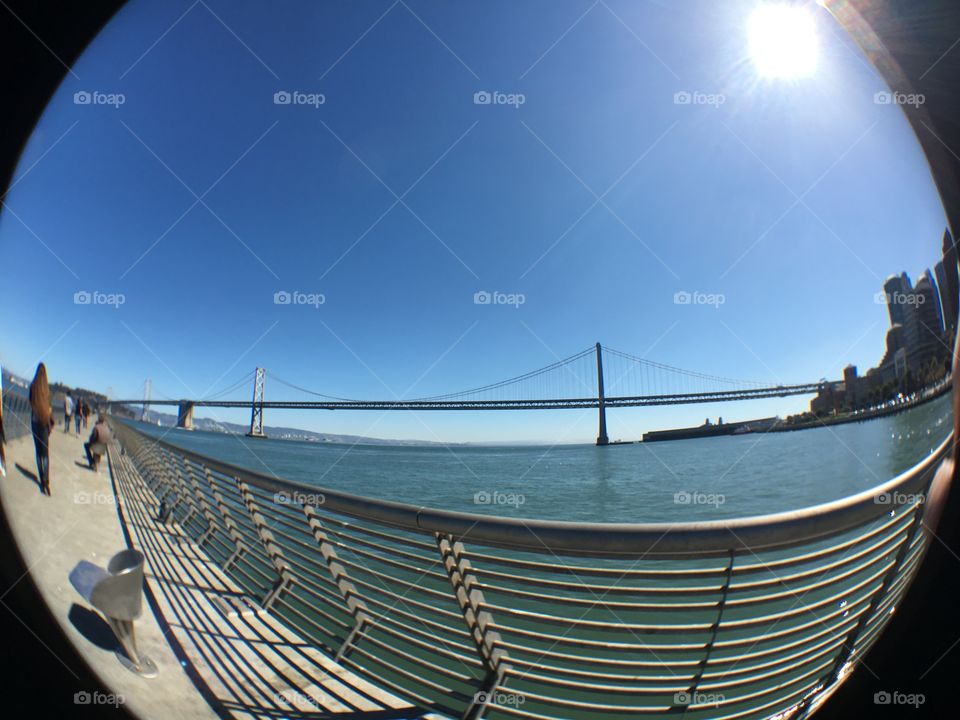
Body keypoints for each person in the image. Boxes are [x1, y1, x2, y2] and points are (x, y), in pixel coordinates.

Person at [29, 363, 54, 495]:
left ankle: (42, 481)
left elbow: (30, 402)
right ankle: (47, 482)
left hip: (34, 422)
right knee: (45, 454)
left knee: (38, 453)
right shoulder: (47, 391)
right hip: (44, 424)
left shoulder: (33, 386)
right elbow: (49, 409)